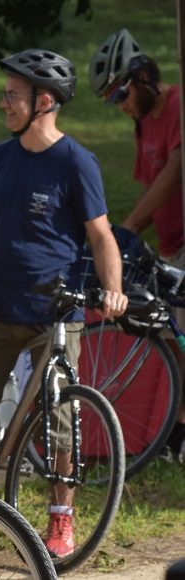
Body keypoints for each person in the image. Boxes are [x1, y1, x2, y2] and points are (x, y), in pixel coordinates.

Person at [0, 49, 128, 557]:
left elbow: (102, 237)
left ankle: (60, 520)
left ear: (43, 100)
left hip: (55, 317)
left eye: (13, 94)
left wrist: (112, 288)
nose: (3, 102)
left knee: (60, 421)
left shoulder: (76, 162)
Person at [88, 29, 185, 458]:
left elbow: (174, 174)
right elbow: (148, 186)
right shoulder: (142, 124)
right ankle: (178, 430)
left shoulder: (179, 105)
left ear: (144, 75)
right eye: (112, 100)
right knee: (170, 339)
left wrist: (124, 227)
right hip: (169, 244)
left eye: (121, 93)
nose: (121, 105)